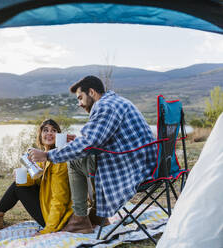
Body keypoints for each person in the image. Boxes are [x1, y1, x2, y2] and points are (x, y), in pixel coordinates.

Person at [29, 76, 157, 233]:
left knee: (75, 161)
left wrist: (47, 155)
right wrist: (79, 141)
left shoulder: (106, 106)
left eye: (80, 98)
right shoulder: (116, 101)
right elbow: (96, 140)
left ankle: (80, 219)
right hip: (142, 162)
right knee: (86, 155)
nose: (80, 103)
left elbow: (89, 143)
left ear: (91, 92)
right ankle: (96, 213)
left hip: (135, 168)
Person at [0, 119, 73, 234]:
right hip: (46, 207)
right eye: (45, 130)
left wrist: (48, 229)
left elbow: (60, 200)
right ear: (40, 136)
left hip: (55, 218)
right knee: (18, 184)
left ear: (59, 135)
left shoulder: (59, 161)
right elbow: (35, 179)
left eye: (54, 130)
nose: (49, 133)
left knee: (17, 187)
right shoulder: (42, 158)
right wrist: (21, 176)